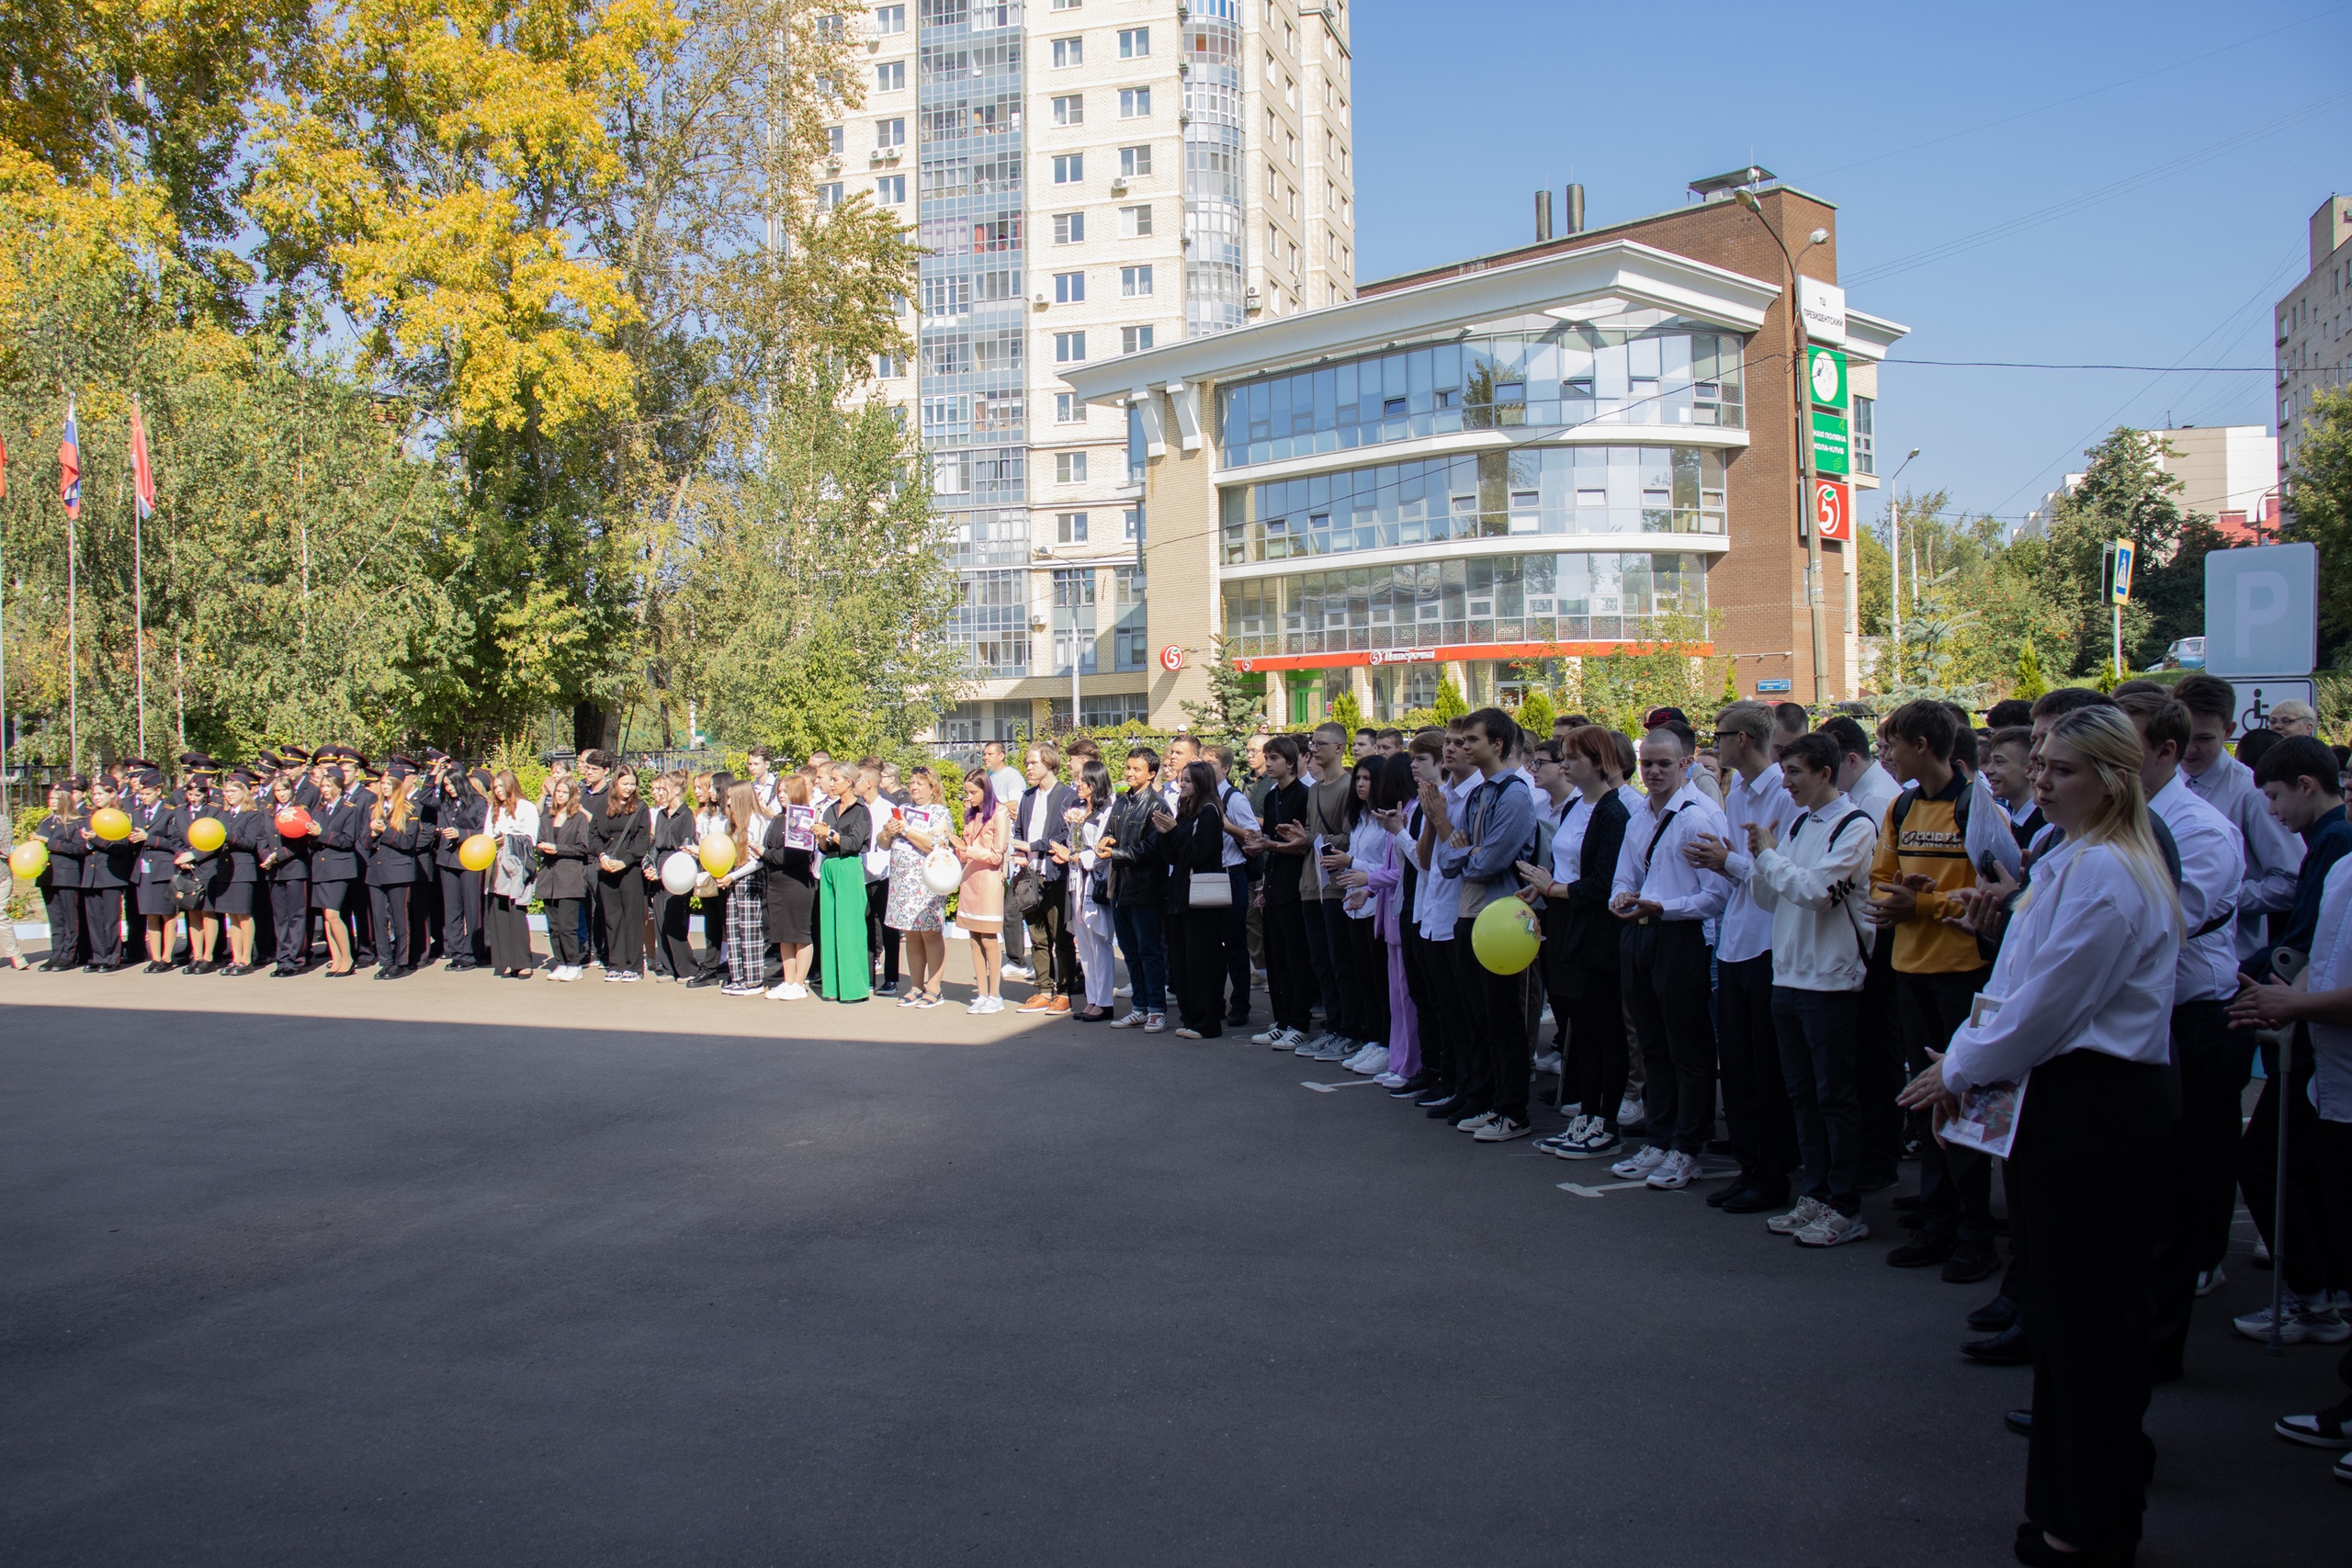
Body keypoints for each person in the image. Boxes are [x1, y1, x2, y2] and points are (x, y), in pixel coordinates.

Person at [1900, 706, 2179, 1568]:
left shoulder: (2108, 870)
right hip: (2063, 1098)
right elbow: (2024, 984)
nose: (2044, 779)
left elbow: (2051, 1008)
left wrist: (1960, 1069)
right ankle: (2075, 1502)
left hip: (2095, 1108)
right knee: (2067, 1324)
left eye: (2064, 769)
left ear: (2114, 778)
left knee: (2089, 1326)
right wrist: (1973, 1060)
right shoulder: (2072, 859)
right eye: (2044, 765)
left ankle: (2089, 1521)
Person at [2110, 689, 2246, 1371]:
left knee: (2176, 1192)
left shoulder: (2198, 828)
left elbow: (2156, 924)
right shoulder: (2121, 819)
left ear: (2167, 751)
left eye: (2123, 748)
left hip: (2190, 1017)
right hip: (2142, 1018)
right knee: (2138, 1199)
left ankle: (2156, 1349)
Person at [1865, 698, 2001, 1284]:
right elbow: (1879, 881)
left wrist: (1922, 902)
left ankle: (1976, 1232)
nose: (1885, 754)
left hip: (1962, 974)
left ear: (1922, 744)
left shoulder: (1978, 806)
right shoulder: (1901, 805)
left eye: (1891, 743)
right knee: (1926, 1101)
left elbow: (2000, 895)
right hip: (1910, 969)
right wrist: (1898, 898)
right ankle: (1937, 1221)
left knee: (1964, 1101)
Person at [2230, 852, 2352, 1486]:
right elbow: (2319, 961)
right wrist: (2287, 998)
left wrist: (2296, 1006)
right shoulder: (2342, 868)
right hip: (2329, 1081)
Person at [2235, 734, 2352, 1339]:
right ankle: (2320, 1291)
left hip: (2319, 1036)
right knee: (2297, 1168)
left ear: (2308, 785)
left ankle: (2314, 1293)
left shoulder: (2336, 844)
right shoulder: (2329, 844)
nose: (2274, 812)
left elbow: (2305, 941)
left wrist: (2267, 984)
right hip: (2312, 1026)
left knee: (2272, 1163)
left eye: (2277, 795)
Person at [1745, 731, 1880, 1247]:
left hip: (1831, 980)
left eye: (1796, 772)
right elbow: (1772, 898)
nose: (1787, 782)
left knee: (1835, 1097)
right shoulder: (1800, 822)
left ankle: (1845, 1204)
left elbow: (1819, 893)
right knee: (1802, 1094)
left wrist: (1772, 859)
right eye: (1785, 770)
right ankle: (1817, 1193)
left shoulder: (1856, 827)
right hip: (1788, 975)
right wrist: (1764, 858)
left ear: (1826, 773)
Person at [1687, 701, 1804, 1214]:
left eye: (1721, 735)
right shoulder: (1738, 795)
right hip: (1735, 938)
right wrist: (1727, 862)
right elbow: (1738, 868)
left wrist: (1727, 859)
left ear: (1745, 740)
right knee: (1735, 1063)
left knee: (1766, 1067)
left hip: (1770, 942)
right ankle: (1749, 1164)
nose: (1715, 744)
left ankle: (1772, 1173)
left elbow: (1783, 875)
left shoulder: (1784, 791)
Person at [1610, 723, 1732, 1186]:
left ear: (1686, 764)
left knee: (1687, 1049)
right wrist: (1620, 899)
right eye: (1648, 764)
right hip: (1638, 934)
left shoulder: (1698, 817)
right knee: (1653, 1045)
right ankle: (1659, 1140)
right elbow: (1624, 876)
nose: (1655, 772)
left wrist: (1664, 906)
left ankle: (1687, 1144)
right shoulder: (1640, 814)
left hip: (1680, 938)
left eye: (1665, 764)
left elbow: (1716, 896)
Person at [1523, 727, 1633, 1159]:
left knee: (1605, 1030)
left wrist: (1553, 890)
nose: (1564, 763)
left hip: (1598, 934)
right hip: (1567, 929)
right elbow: (1563, 865)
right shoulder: (1574, 808)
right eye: (1563, 756)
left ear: (1599, 760)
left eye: (1572, 756)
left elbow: (1603, 883)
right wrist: (1539, 889)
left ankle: (1606, 1122)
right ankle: (1587, 1114)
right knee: (1579, 1030)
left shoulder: (1614, 812)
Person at [1439, 708, 1541, 1144]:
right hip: (1468, 915)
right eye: (1460, 742)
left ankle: (1513, 1110)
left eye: (1471, 741)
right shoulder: (1479, 795)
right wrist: (1465, 852)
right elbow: (1448, 859)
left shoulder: (1513, 795)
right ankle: (1489, 1099)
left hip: (1498, 920)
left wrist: (1466, 852)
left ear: (1497, 744)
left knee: (1503, 1019)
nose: (1462, 748)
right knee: (1478, 1017)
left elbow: (1489, 861)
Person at [1246, 737, 1314, 1049]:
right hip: (1274, 886)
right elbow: (1270, 845)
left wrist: (1271, 845)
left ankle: (1299, 1022)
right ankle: (1282, 1020)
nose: (1268, 763)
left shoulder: (1304, 795)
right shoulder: (1273, 797)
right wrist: (1265, 884)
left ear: (1290, 762)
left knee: (1296, 958)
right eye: (1267, 757)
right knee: (1276, 960)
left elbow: (1303, 847)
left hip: (1297, 887)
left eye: (1274, 758)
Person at [1156, 759, 1230, 1038]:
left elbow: (1198, 855)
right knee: (1181, 960)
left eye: (1187, 780)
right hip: (1179, 895)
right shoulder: (1186, 811)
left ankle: (1205, 1022)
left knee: (1201, 961)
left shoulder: (1209, 811)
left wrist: (1173, 831)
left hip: (1200, 896)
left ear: (1201, 783)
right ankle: (1190, 1018)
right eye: (1181, 779)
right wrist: (1166, 833)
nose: (1182, 784)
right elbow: (1175, 856)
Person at [1102, 748, 1170, 1031]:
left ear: (1151, 774)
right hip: (1120, 888)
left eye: (1136, 769)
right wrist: (1105, 841)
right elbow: (1110, 833)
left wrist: (1115, 855)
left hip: (1146, 889)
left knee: (1149, 951)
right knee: (1130, 951)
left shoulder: (1158, 806)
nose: (1130, 773)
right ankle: (1139, 1007)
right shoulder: (1119, 803)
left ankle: (1156, 1009)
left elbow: (1152, 849)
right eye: (1128, 768)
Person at [1012, 744, 1080, 1015]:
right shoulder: (1027, 796)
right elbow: (1018, 830)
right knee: (1037, 936)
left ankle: (1064, 992)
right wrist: (1020, 853)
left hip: (1056, 875)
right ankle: (1043, 988)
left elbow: (1065, 836)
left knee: (1060, 936)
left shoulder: (1067, 796)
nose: (1028, 768)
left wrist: (1031, 846)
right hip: (1030, 875)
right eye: (1027, 763)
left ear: (1049, 764)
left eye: (1033, 763)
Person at [880, 767, 955, 1009]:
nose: (914, 787)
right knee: (911, 933)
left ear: (932, 788)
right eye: (911, 783)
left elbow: (934, 844)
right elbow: (882, 843)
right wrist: (887, 831)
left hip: (926, 882)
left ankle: (934, 988)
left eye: (920, 783)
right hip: (903, 882)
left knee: (930, 933)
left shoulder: (939, 812)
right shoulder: (902, 810)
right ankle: (915, 985)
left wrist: (906, 830)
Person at [1054, 760, 1120, 1021]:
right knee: (1084, 942)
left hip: (1096, 882)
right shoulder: (1077, 810)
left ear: (1095, 782)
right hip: (1077, 881)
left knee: (1099, 941)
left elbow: (1103, 852)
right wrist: (1069, 853)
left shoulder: (1107, 812)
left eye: (1083, 780)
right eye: (1077, 780)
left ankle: (1104, 1002)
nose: (1078, 784)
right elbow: (1073, 843)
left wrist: (1074, 856)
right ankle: (1092, 999)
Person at [1207, 743, 1260, 1027]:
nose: (1204, 768)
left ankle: (1240, 1003)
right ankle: (1214, 1001)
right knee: (1211, 943)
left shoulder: (1233, 798)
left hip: (1231, 873)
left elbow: (1254, 837)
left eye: (1211, 764)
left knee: (1234, 942)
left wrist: (1227, 826)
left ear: (1225, 768)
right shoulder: (1199, 795)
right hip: (1206, 875)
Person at [951, 770, 1011, 1013]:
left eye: (973, 792)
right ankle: (983, 994)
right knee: (974, 938)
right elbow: (965, 852)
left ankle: (995, 995)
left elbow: (997, 856)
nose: (969, 796)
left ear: (986, 790)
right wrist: (956, 845)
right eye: (967, 792)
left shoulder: (1000, 812)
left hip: (988, 880)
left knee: (988, 937)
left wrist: (967, 848)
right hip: (970, 879)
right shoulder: (971, 815)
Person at [813, 764, 873, 1002]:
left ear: (849, 781)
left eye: (835, 779)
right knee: (828, 927)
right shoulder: (829, 809)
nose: (831, 783)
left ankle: (854, 988)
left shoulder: (861, 811)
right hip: (829, 864)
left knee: (850, 928)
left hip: (849, 865)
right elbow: (825, 846)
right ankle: (833, 987)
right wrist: (822, 837)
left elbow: (855, 843)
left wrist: (830, 834)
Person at [757, 775, 819, 998]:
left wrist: (766, 854)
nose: (781, 795)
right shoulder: (777, 819)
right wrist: (768, 853)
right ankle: (788, 980)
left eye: (785, 791)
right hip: (776, 882)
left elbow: (791, 854)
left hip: (797, 883)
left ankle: (800, 983)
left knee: (800, 933)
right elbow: (769, 846)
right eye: (779, 791)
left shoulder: (803, 818)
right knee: (783, 934)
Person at [592, 767, 650, 983]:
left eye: (633, 784)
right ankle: (615, 964)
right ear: (616, 783)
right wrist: (603, 857)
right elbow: (594, 836)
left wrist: (624, 862)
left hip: (630, 869)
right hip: (606, 868)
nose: (629, 788)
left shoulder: (641, 808)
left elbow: (642, 840)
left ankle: (634, 966)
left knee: (632, 917)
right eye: (625, 783)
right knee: (612, 917)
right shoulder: (602, 806)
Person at [534, 774, 594, 982]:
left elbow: (582, 848)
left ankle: (574, 964)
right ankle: (560, 962)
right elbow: (540, 842)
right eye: (557, 791)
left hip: (569, 877)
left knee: (567, 925)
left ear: (572, 795)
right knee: (553, 926)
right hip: (548, 877)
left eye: (564, 792)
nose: (559, 796)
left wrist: (557, 848)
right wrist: (543, 848)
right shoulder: (546, 817)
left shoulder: (578, 818)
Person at [713, 782, 771, 996]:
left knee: (749, 930)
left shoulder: (756, 821)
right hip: (732, 879)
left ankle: (753, 979)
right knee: (734, 929)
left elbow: (757, 860)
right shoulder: (733, 824)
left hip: (748, 878)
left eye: (730, 797)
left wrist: (732, 875)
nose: (727, 801)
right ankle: (737, 976)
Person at [309, 769, 362, 977]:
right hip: (321, 867)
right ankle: (336, 958)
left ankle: (347, 958)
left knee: (333, 914)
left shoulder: (349, 809)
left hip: (340, 868)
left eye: (328, 786)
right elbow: (313, 842)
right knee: (326, 917)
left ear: (338, 787)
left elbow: (347, 840)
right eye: (322, 786)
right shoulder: (318, 812)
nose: (324, 790)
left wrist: (321, 834)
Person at [258, 774, 314, 976]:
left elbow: (302, 841)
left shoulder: (301, 811)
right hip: (274, 871)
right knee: (280, 917)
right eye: (278, 791)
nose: (282, 794)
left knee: (297, 916)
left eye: (285, 789)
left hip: (294, 868)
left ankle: (296, 959)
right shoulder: (267, 811)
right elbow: (261, 837)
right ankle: (282, 958)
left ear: (292, 790)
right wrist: (265, 855)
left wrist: (278, 856)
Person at [34, 783, 86, 972]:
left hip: (67, 875)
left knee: (69, 917)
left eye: (56, 799)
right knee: (55, 918)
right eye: (50, 799)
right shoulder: (46, 822)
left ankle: (69, 955)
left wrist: (49, 842)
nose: (52, 802)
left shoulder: (76, 822)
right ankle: (56, 953)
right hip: (48, 875)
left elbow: (76, 848)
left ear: (65, 800)